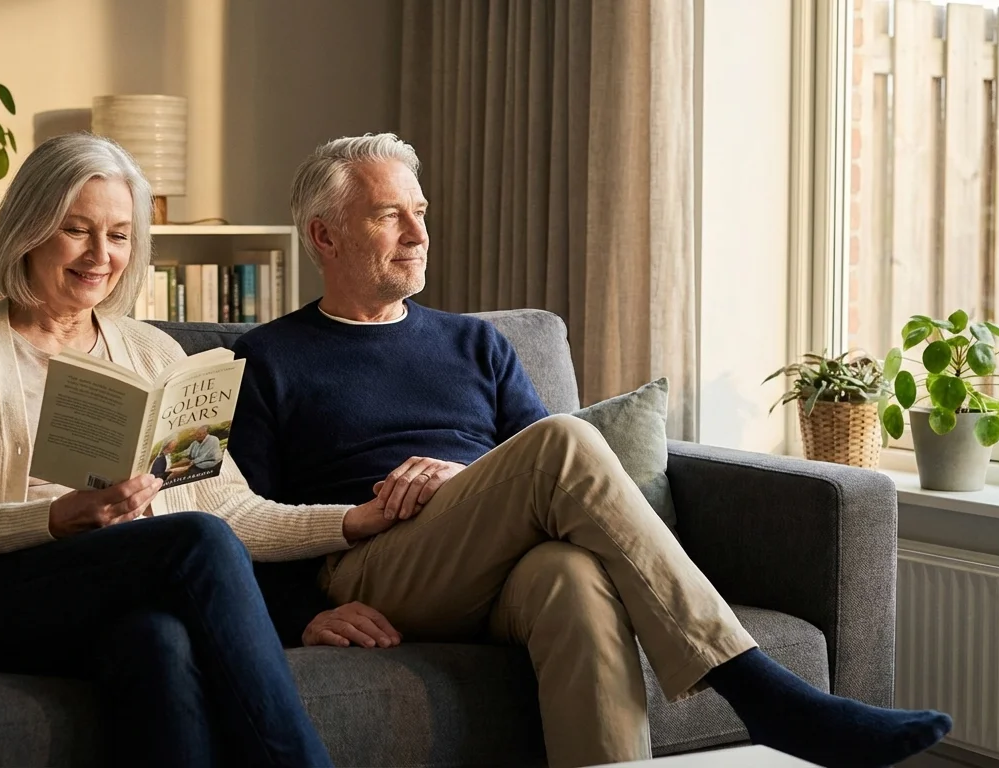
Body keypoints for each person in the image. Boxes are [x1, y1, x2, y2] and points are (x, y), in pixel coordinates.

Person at [227, 133, 953, 768]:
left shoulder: (476, 343)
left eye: (420, 212)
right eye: (390, 215)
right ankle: (758, 688)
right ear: (324, 236)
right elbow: (236, 514)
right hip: (379, 566)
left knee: (572, 576)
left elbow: (537, 483)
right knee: (566, 441)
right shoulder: (265, 360)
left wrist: (467, 479)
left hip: (498, 563)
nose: (418, 233)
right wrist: (300, 615)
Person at [0, 132, 394, 768]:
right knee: (194, 540)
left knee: (158, 641)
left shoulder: (156, 354)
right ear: (30, 228)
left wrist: (351, 520)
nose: (101, 255)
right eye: (77, 230)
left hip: (112, 591)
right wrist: (53, 518)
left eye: (119, 235)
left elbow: (230, 508)